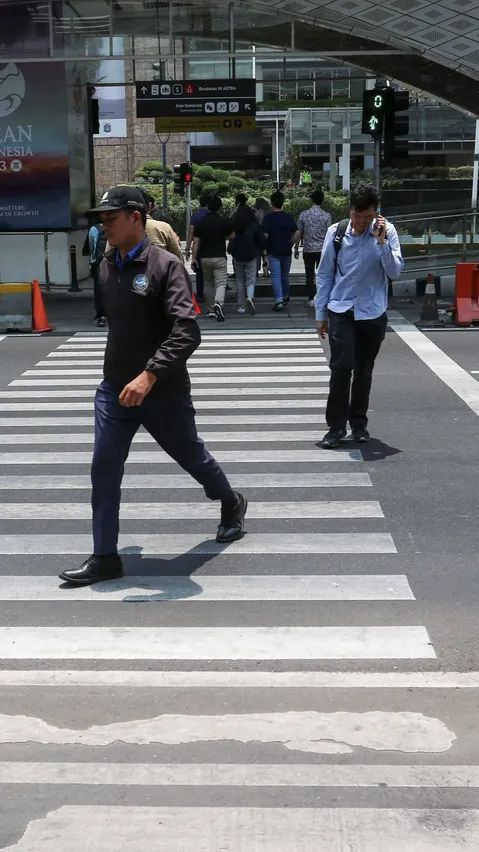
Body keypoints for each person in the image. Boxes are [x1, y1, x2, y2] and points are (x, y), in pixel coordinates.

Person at [59, 185, 247, 587]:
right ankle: (105, 556)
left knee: (192, 458)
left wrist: (150, 374)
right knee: (104, 468)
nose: (104, 225)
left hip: (162, 391)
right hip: (115, 391)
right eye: (102, 219)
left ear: (135, 218)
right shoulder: (107, 265)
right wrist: (125, 374)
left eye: (111, 218)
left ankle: (230, 502)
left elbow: (187, 331)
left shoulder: (165, 266)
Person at [315, 183, 404, 449]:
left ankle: (359, 424)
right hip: (341, 309)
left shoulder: (387, 233)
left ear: (376, 214)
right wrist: (321, 314)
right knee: (341, 368)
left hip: (372, 312)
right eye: (357, 215)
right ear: (350, 210)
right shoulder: (337, 232)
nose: (361, 222)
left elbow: (395, 272)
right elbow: (324, 273)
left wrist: (381, 244)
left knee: (364, 371)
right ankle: (335, 427)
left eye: (367, 217)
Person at [191, 195, 234, 322]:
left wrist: (194, 258)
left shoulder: (201, 222)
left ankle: (210, 309)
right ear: (220, 207)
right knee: (221, 282)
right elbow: (232, 236)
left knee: (208, 283)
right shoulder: (223, 221)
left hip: (204, 257)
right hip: (219, 256)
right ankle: (218, 304)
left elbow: (196, 242)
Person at [295, 188, 332, 308]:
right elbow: (329, 234)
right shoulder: (327, 216)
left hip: (308, 249)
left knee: (309, 275)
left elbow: (299, 232)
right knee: (323, 275)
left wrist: (296, 247)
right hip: (322, 249)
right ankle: (322, 297)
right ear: (322, 201)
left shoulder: (304, 215)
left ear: (312, 200)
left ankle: (311, 298)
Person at [262, 191, 297, 311]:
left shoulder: (268, 218)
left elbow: (265, 236)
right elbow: (296, 232)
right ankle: (286, 296)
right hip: (287, 251)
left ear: (271, 203)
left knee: (276, 276)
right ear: (282, 203)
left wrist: (264, 249)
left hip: (273, 251)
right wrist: (292, 242)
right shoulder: (288, 217)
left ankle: (278, 301)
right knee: (285, 276)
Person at [229, 202, 265, 315]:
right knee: (250, 280)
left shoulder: (235, 226)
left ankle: (241, 306)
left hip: (238, 256)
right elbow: (262, 241)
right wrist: (263, 254)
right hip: (251, 256)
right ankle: (249, 298)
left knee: (239, 281)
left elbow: (231, 241)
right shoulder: (255, 226)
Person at [185, 194, 209, 301]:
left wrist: (187, 248)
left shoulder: (195, 216)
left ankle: (200, 293)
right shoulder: (214, 215)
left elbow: (191, 233)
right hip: (212, 247)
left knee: (199, 272)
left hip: (198, 248)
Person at [88, 222, 107, 327]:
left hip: (98, 263)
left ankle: (101, 316)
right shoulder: (118, 226)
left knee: (99, 289)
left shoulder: (94, 229)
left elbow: (92, 249)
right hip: (114, 262)